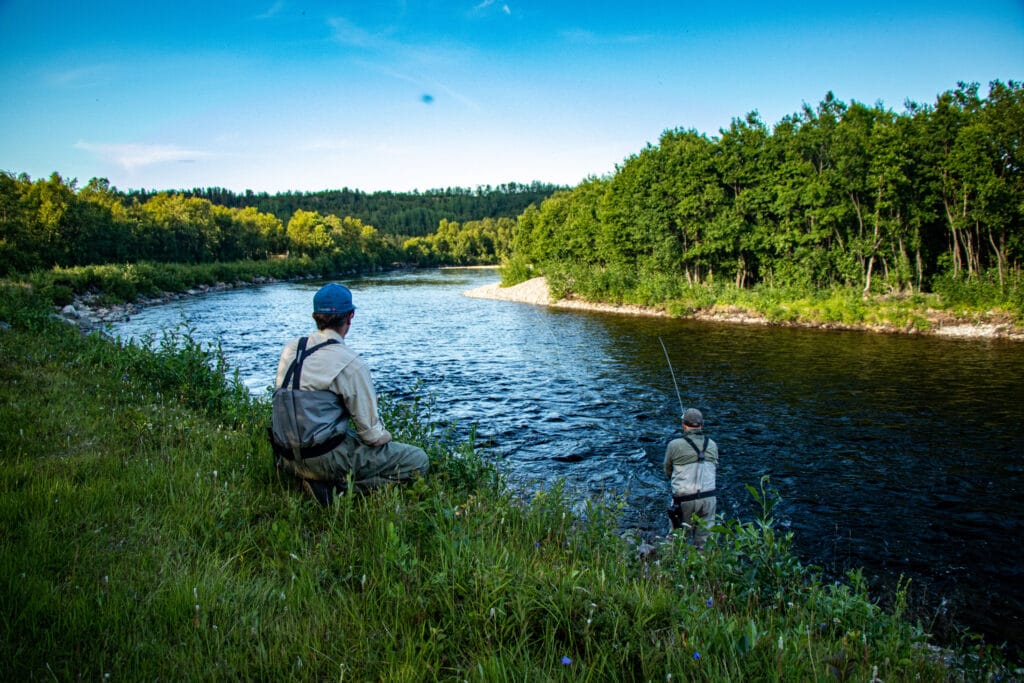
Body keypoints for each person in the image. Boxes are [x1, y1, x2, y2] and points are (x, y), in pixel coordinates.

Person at [270, 282, 429, 504]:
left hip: (285, 456)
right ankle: (335, 491)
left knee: (345, 437)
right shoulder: (350, 363)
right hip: (320, 459)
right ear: (350, 316)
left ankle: (307, 479)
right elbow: (371, 436)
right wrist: (389, 439)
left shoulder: (291, 348)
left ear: (315, 316)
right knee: (417, 460)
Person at [664, 408, 719, 549]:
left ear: (683, 425)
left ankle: (671, 566)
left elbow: (667, 471)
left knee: (676, 539)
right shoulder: (712, 444)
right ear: (702, 425)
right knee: (704, 543)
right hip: (709, 499)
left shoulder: (674, 445)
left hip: (683, 500)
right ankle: (702, 566)